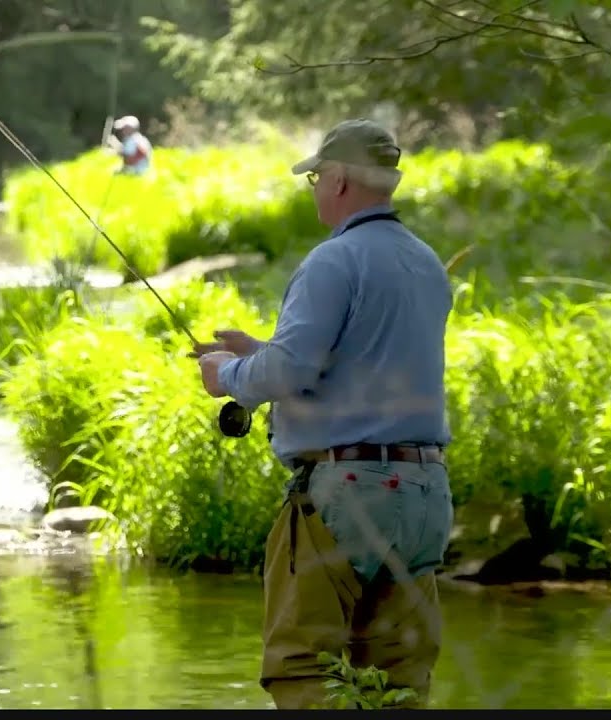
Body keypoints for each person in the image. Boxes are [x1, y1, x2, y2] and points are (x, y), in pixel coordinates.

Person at [192, 119, 455, 709]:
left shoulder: (332, 261)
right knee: (397, 679)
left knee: (302, 667)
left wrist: (226, 377)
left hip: (347, 493)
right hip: (423, 495)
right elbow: (360, 368)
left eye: (315, 176)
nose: (313, 187)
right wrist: (260, 352)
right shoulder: (425, 263)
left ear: (337, 179)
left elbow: (289, 376)